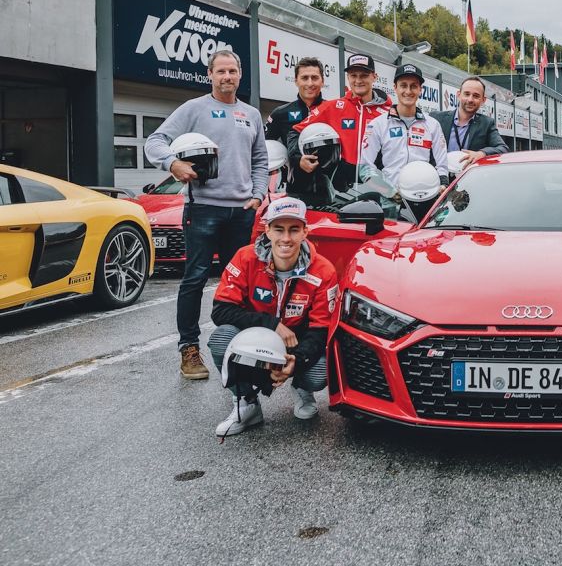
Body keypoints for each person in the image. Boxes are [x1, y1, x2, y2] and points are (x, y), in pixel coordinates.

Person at [145, 49, 268, 380]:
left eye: (233, 71)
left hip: (241, 211)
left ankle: (240, 344)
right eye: (221, 71)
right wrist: (173, 163)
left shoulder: (251, 114)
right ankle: (189, 349)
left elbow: (260, 161)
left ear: (240, 75)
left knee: (238, 282)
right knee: (195, 278)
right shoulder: (194, 109)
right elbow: (154, 141)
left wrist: (257, 196)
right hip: (203, 209)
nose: (227, 77)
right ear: (209, 75)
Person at [207, 197, 339, 436]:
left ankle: (301, 388)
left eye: (294, 230)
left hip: (295, 346)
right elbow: (220, 310)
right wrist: (272, 324)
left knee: (321, 370)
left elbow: (321, 331)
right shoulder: (245, 258)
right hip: (253, 341)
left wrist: (296, 362)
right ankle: (246, 403)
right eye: (279, 229)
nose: (286, 238)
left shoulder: (324, 270)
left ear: (305, 231)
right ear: (266, 230)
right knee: (221, 337)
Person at [288, 52, 392, 192]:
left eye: (364, 75)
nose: (358, 80)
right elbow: (295, 131)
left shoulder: (389, 112)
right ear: (348, 77)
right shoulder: (332, 107)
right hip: (343, 191)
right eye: (353, 75)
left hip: (379, 186)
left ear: (374, 77)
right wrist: (298, 158)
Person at [361, 63, 449, 189]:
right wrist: (387, 192)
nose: (408, 91)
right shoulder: (378, 124)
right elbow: (365, 168)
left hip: (424, 196)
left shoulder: (433, 125)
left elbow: (442, 165)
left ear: (420, 90)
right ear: (395, 88)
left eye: (413, 86)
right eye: (403, 86)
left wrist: (443, 184)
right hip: (390, 200)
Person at [431, 76, 508, 167]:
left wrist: (481, 153)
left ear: (483, 100)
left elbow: (503, 148)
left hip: (469, 178)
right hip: (440, 177)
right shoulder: (437, 118)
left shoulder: (487, 123)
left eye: (476, 96)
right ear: (459, 95)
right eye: (467, 94)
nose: (470, 100)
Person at [264, 56, 326, 146]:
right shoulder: (280, 113)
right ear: (296, 81)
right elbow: (262, 146)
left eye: (314, 78)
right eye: (304, 78)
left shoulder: (333, 110)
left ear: (322, 81)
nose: (310, 83)